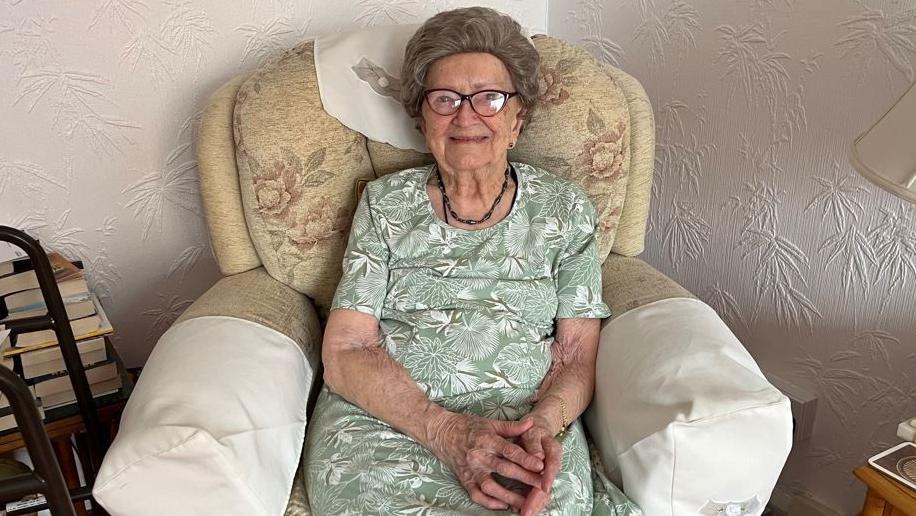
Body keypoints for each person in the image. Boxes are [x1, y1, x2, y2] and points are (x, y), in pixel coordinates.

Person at [304, 7, 641, 515]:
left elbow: (575, 356)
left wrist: (542, 428)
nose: (467, 116)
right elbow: (348, 347)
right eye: (445, 99)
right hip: (389, 425)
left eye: (490, 98)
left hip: (523, 425)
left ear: (517, 118)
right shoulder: (383, 205)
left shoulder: (566, 210)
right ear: (422, 118)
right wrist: (446, 431)